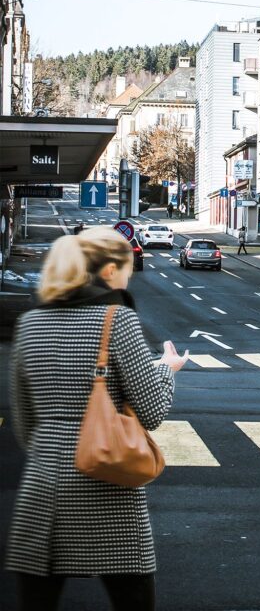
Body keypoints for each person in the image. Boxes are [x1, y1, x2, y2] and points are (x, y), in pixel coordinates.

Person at [6, 226, 189, 611]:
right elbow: (152, 410)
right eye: (126, 267)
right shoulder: (116, 320)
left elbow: (24, 423)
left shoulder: (29, 323)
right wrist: (167, 369)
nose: (129, 274)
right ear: (108, 272)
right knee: (132, 600)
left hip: (42, 489)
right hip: (107, 488)